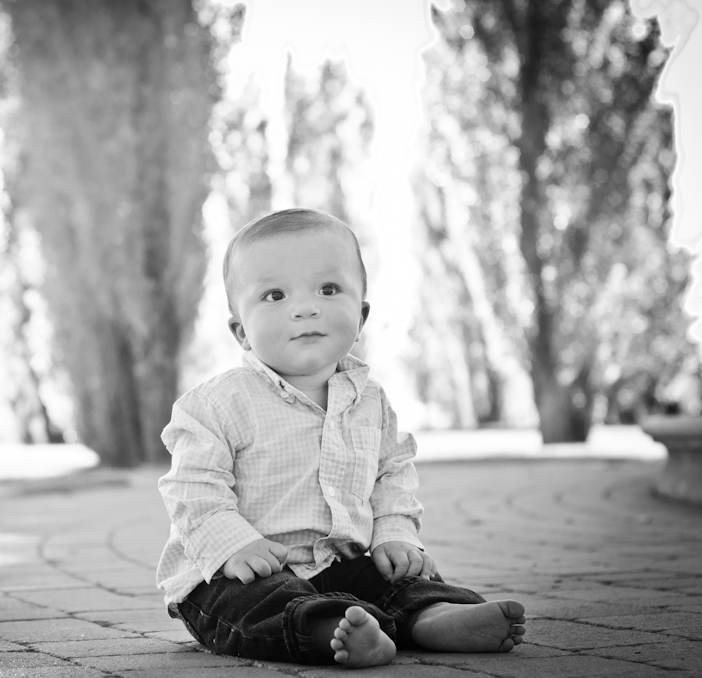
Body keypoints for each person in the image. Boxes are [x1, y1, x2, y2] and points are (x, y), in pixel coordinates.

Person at [156, 208, 526, 668]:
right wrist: (233, 545)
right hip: (239, 569)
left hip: (339, 563)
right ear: (241, 332)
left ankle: (434, 617)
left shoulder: (370, 401)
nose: (305, 308)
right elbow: (192, 487)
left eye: (328, 290)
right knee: (256, 603)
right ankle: (330, 631)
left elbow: (392, 475)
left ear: (362, 314)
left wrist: (394, 535)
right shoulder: (215, 405)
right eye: (275, 295)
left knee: (398, 579)